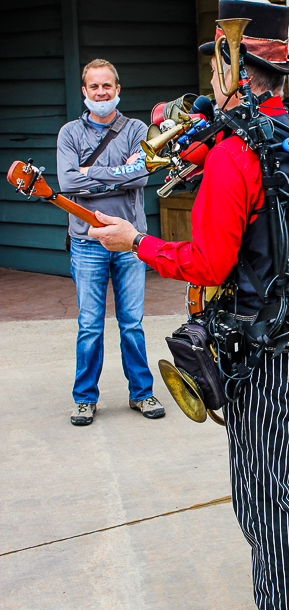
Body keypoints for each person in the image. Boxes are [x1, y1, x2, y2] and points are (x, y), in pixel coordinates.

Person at [87, 2, 289, 610]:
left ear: (235, 65)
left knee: (266, 490)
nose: (212, 74)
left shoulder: (237, 153)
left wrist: (136, 241)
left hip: (262, 346)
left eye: (216, 61)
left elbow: (206, 262)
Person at [57, 58, 165, 426]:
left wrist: (90, 173)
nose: (101, 93)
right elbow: (68, 184)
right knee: (90, 324)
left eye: (107, 86)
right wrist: (115, 175)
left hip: (130, 240)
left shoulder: (136, 129)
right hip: (87, 241)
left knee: (132, 322)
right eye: (94, 87)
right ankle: (85, 398)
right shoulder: (69, 133)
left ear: (118, 90)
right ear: (84, 92)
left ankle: (142, 393)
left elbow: (140, 177)